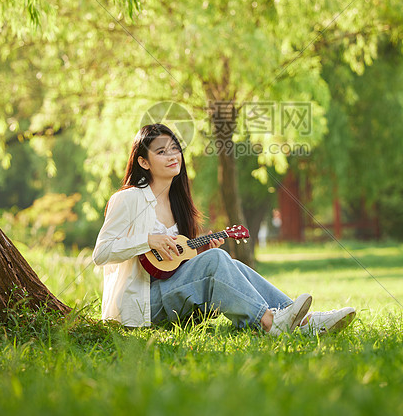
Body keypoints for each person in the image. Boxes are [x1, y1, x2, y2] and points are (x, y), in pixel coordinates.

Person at [93, 123, 356, 335]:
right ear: (143, 162)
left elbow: (171, 265)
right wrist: (148, 240)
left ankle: (304, 320)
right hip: (139, 305)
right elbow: (101, 253)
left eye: (175, 149)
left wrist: (200, 250)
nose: (173, 156)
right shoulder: (128, 199)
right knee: (218, 260)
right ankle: (269, 322)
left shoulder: (177, 203)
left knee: (229, 262)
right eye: (161, 152)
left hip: (166, 294)